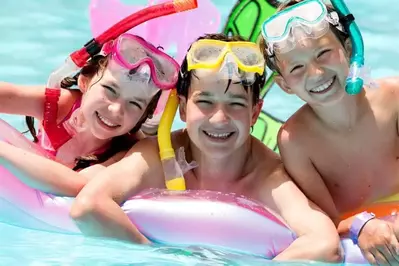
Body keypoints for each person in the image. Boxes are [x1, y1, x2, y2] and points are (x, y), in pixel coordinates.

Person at [69, 33, 342, 263]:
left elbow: (325, 246)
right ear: (183, 108)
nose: (219, 119)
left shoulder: (267, 176)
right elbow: (89, 207)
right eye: (205, 102)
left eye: (235, 104)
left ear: (255, 113)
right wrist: (156, 256)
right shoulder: (158, 155)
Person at [260, 0, 399, 264]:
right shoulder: (295, 141)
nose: (316, 73)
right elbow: (324, 222)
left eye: (323, 53)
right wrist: (362, 226)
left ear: (349, 48)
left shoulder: (395, 100)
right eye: (296, 68)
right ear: (284, 84)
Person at [0, 33, 180, 196]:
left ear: (143, 116)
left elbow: (78, 185)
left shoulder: (129, 151)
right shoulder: (57, 106)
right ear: (84, 82)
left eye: (134, 104)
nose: (116, 110)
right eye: (110, 90)